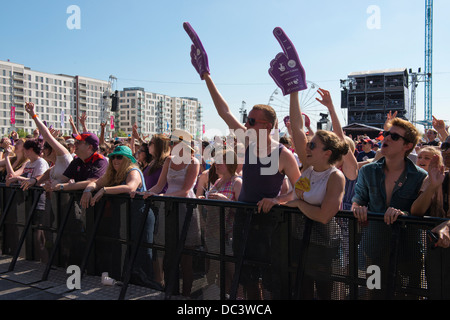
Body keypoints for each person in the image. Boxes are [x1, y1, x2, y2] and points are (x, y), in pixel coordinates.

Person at [184, 24, 300, 299]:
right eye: (246, 119)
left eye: (250, 120)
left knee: (268, 283)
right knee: (247, 279)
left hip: (270, 223)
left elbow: (302, 188)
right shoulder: (248, 143)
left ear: (268, 126)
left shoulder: (283, 154)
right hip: (244, 219)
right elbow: (223, 111)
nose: (245, 123)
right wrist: (206, 75)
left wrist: (279, 200)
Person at [352, 117, 427, 298]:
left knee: (407, 296)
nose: (386, 138)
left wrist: (403, 214)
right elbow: (358, 200)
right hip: (374, 248)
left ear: (407, 146)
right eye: (386, 134)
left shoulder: (420, 176)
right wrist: (358, 208)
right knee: (373, 292)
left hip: (407, 251)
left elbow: (423, 213)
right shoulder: (367, 171)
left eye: (394, 137)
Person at [284, 88, 348, 300]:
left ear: (327, 153)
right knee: (301, 289)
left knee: (323, 293)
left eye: (313, 145)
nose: (307, 146)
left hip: (323, 243)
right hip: (299, 238)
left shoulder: (335, 177)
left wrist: (298, 205)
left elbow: (324, 215)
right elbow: (297, 128)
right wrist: (293, 91)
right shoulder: (309, 167)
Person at [143, 129, 201, 297]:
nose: (174, 145)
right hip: (168, 207)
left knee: (186, 258)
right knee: (169, 252)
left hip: (185, 208)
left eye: (177, 142)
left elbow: (186, 190)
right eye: (173, 142)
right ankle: (170, 291)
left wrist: (162, 196)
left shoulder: (193, 162)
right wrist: (146, 193)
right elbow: (159, 186)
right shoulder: (168, 160)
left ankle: (185, 295)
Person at [198, 148, 242, 298]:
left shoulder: (237, 182)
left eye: (219, 162)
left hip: (228, 235)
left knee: (234, 274)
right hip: (214, 233)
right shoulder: (218, 181)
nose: (215, 164)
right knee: (222, 274)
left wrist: (225, 201)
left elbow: (242, 211)